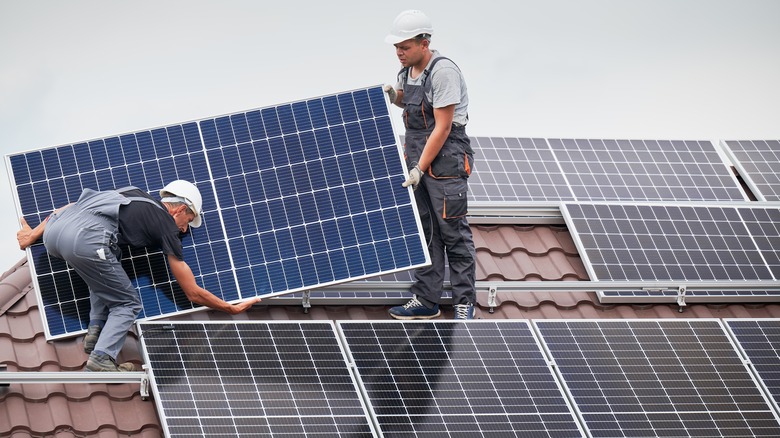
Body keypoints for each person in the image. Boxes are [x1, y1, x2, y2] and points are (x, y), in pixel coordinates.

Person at [17, 180, 259, 371]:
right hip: (85, 240)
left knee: (109, 262)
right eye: (189, 220)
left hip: (54, 234)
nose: (186, 228)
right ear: (181, 209)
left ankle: (96, 332)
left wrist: (32, 235)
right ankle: (101, 359)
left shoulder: (132, 192)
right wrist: (230, 308)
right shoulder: (165, 225)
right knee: (128, 303)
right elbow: (192, 292)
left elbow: (71, 206)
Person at [383, 10, 477, 320]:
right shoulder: (405, 70)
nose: (399, 52)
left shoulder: (442, 71)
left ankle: (464, 301)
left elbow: (443, 127)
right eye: (397, 47)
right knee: (425, 231)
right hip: (416, 158)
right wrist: (394, 95)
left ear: (424, 43)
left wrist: (419, 168)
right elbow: (409, 104)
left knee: (453, 231)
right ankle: (426, 299)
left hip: (445, 160)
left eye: (405, 46)